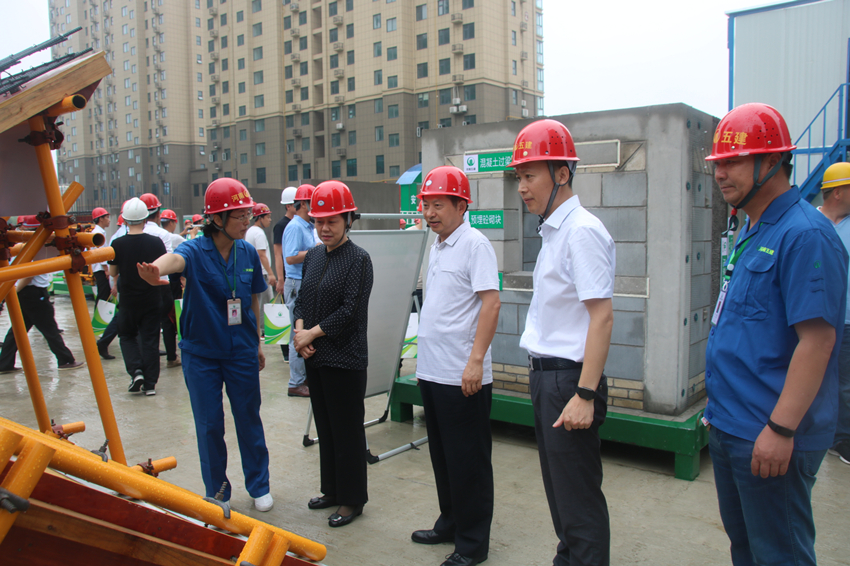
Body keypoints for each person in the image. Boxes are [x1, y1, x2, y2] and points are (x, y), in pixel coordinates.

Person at [704, 103, 847, 566]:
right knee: (747, 549)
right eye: (718, 163)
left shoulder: (805, 235)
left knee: (779, 555)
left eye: (733, 162)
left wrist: (781, 429)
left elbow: (817, 341)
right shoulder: (754, 227)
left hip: (769, 433)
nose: (720, 174)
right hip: (731, 424)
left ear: (771, 162)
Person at [511, 119, 615, 566]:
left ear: (562, 173)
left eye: (530, 175)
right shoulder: (554, 231)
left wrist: (585, 394)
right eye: (518, 176)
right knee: (561, 498)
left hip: (569, 381)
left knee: (578, 502)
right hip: (548, 379)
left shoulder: (581, 231)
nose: (522, 187)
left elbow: (602, 317)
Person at [137, 178, 273, 512]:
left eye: (248, 214)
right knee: (210, 424)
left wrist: (257, 342)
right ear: (216, 218)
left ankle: (259, 485)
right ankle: (217, 491)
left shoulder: (247, 252)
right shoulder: (195, 249)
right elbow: (174, 260)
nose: (247, 221)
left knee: (249, 418)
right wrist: (155, 270)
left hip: (241, 350)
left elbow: (253, 299)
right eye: (240, 215)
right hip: (201, 354)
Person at [410, 166, 500, 566]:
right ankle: (449, 522)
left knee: (469, 463)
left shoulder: (475, 244)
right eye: (426, 205)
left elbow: (491, 304)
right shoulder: (438, 245)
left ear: (462, 206)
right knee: (444, 458)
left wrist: (475, 362)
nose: (430, 213)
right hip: (433, 371)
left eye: (438, 205)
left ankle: (472, 544)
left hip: (463, 376)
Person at [292, 181, 373, 528]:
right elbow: (301, 301)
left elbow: (350, 311)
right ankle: (332, 490)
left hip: (345, 358)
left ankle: (352, 499)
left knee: (347, 430)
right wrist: (300, 333)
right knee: (325, 427)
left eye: (332, 221)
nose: (324, 228)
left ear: (348, 220)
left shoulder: (359, 259)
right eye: (319, 221)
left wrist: (310, 334)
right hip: (315, 356)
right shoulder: (313, 256)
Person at [108, 198, 166, 395]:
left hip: (128, 299)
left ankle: (136, 371)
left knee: (126, 335)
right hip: (152, 298)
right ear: (145, 219)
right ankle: (150, 385)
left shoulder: (117, 244)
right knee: (150, 340)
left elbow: (113, 272)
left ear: (124, 220)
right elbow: (162, 268)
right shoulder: (156, 242)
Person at [820, 161, 850, 466]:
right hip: (823, 318)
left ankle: (841, 436)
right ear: (838, 192)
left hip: (848, 319)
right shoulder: (810, 224)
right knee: (837, 382)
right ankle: (839, 438)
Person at [0, 272, 85, 373]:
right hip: (34, 293)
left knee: (17, 330)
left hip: (26, 293)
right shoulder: (29, 262)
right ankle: (65, 360)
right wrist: (15, 291)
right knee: (49, 329)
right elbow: (28, 276)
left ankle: (5, 364)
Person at [282, 183, 316, 397]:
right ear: (303, 204)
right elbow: (291, 257)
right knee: (297, 333)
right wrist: (316, 250)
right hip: (296, 283)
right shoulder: (295, 227)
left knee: (304, 331)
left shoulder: (307, 226)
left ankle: (302, 378)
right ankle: (295, 382)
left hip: (304, 282)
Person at [96, 203, 129, 360]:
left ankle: (104, 341)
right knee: (123, 314)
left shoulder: (117, 236)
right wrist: (115, 284)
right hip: (125, 280)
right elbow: (113, 266)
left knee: (126, 313)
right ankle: (104, 341)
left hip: (123, 280)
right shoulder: (120, 237)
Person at [272, 186, 298, 362]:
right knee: (288, 315)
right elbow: (278, 254)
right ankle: (287, 353)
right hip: (289, 277)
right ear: (288, 206)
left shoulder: (301, 223)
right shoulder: (281, 225)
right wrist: (280, 279)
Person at [160, 209, 186, 368]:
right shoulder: (172, 237)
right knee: (177, 315)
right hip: (173, 282)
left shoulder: (153, 234)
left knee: (166, 320)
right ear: (171, 222)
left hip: (158, 282)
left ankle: (171, 355)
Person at [246, 202, 275, 306]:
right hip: (263, 274)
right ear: (260, 218)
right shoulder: (259, 233)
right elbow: (262, 255)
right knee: (266, 305)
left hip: (254, 272)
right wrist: (270, 274)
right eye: (268, 217)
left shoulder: (250, 231)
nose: (270, 220)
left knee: (257, 303)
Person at [90, 207, 111, 303]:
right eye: (107, 217)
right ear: (100, 219)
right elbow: (100, 252)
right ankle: (99, 312)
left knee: (103, 294)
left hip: (99, 268)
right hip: (100, 269)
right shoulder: (98, 233)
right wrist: (106, 269)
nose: (109, 220)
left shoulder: (98, 232)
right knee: (103, 295)